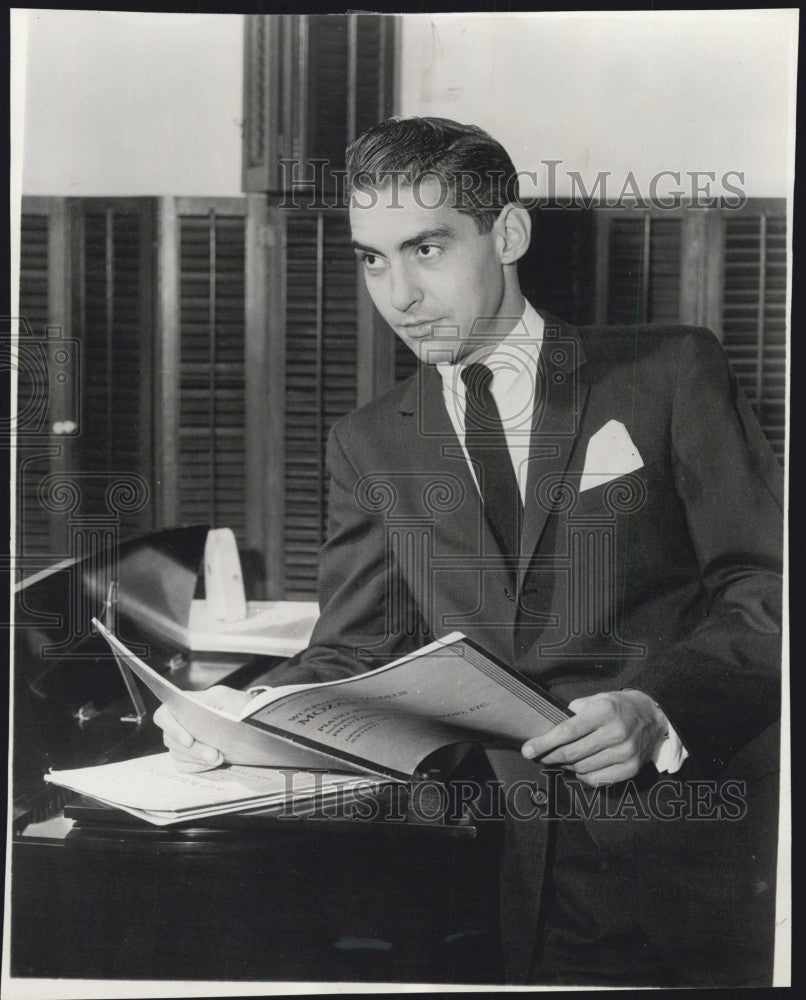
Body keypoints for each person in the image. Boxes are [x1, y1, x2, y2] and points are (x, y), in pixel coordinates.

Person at [155, 117, 783, 986]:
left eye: (426, 248)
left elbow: (766, 585)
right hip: (502, 874)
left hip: (690, 858)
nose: (399, 293)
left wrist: (658, 707)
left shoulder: (668, 371)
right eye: (372, 258)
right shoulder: (369, 442)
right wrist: (230, 716)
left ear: (508, 233)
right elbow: (353, 646)